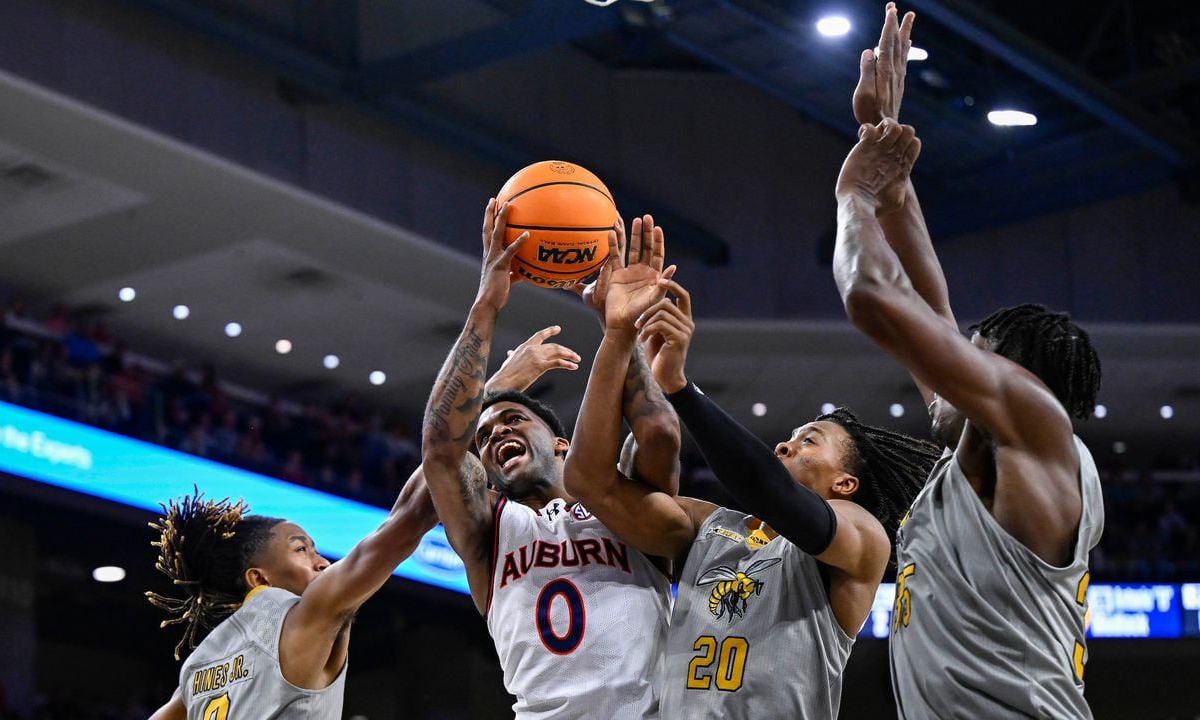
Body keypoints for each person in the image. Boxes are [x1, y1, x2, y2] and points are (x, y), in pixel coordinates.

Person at [834, 8, 1104, 717]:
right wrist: (881, 142)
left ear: (1014, 381)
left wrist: (853, 196)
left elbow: (872, 297)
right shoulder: (997, 450)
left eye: (970, 362)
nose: (948, 366)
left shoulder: (1036, 429)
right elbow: (930, 306)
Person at [563, 232, 938, 718]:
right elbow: (588, 482)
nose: (784, 443)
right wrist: (617, 338)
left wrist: (677, 386)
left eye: (809, 440)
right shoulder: (709, 527)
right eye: (791, 436)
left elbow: (771, 490)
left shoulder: (861, 540)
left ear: (844, 484)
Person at [145, 326, 583, 720]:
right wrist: (500, 388)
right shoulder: (302, 616)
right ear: (259, 577)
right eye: (301, 549)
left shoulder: (200, 667)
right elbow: (412, 514)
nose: (321, 562)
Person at [420, 202, 681, 718]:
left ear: (561, 444)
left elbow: (659, 432)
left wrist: (620, 328)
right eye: (487, 435)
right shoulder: (486, 532)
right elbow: (439, 446)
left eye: (515, 420)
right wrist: (486, 305)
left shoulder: (621, 504)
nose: (497, 434)